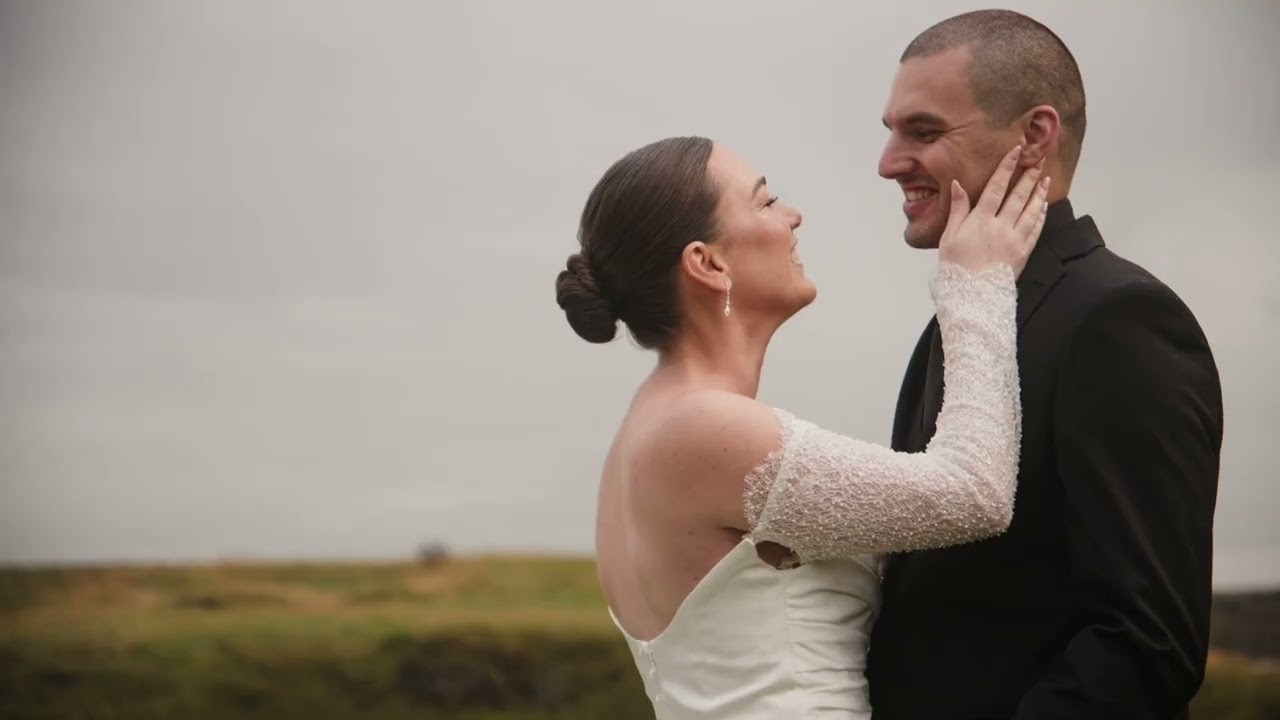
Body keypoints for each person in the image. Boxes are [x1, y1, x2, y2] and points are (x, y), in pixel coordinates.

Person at [554, 135, 1049, 718]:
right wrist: (977, 285)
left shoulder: (652, 427)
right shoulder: (697, 427)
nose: (793, 217)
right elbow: (974, 492)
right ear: (707, 263)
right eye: (766, 202)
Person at [866, 10, 1224, 719]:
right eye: (892, 130)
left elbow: (1145, 643)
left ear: (1035, 136)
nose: (888, 161)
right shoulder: (951, 325)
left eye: (925, 131)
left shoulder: (1119, 321)